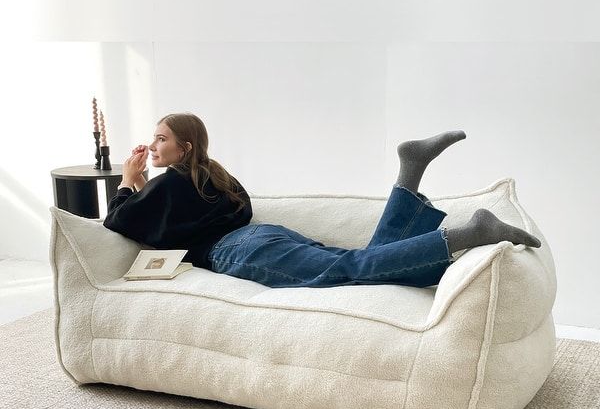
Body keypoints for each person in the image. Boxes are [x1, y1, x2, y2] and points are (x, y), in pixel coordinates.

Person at [103, 112, 541, 289]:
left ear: (186, 146)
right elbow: (177, 216)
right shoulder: (214, 177)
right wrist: (145, 185)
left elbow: (119, 221)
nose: (152, 145)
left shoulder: (167, 185)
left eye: (162, 139)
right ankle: (410, 172)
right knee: (364, 261)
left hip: (234, 251)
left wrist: (128, 180)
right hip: (260, 235)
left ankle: (468, 233)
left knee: (350, 270)